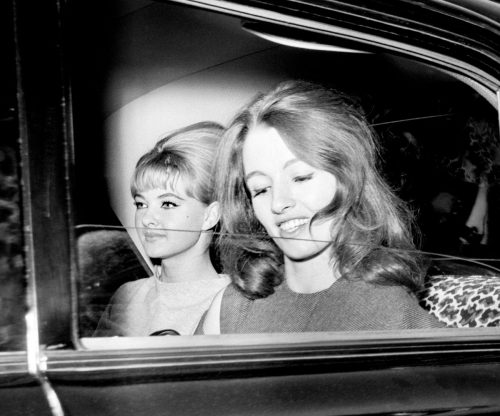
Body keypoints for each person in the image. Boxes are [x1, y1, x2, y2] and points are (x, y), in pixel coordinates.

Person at [200, 80, 444, 334]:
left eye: (301, 177)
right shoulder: (230, 310)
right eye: (261, 189)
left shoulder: (394, 319)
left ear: (348, 178)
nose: (279, 202)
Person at [94, 122, 230, 336]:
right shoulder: (127, 296)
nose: (147, 218)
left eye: (167, 204)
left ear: (210, 215)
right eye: (141, 204)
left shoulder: (233, 302)